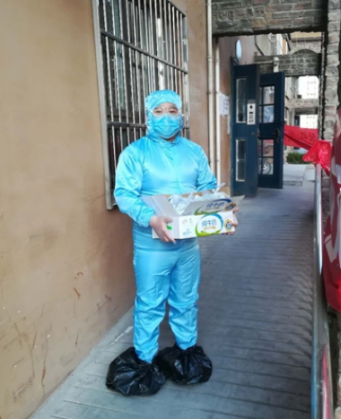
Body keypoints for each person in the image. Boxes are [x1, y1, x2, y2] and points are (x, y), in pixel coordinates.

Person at [106, 90, 238, 396]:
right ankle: (144, 360)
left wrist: (223, 213)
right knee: (150, 303)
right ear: (148, 116)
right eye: (159, 111)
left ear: (181, 115)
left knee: (186, 300)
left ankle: (186, 352)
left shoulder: (193, 152)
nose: (166, 117)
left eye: (172, 110)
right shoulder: (135, 154)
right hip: (152, 245)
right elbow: (124, 194)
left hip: (188, 245)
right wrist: (151, 218)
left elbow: (208, 188)